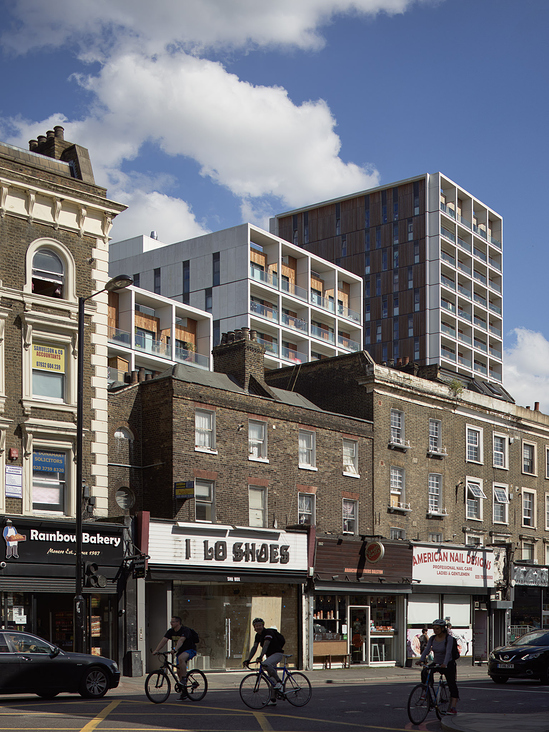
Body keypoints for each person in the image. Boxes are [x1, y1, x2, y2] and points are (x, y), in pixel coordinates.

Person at [415, 619, 459, 715]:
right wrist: (421, 659)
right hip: (437, 662)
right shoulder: (432, 638)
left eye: (437, 628)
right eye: (434, 628)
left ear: (443, 629)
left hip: (448, 663)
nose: (435, 630)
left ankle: (453, 707)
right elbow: (427, 650)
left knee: (452, 684)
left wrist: (445, 663)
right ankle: (426, 689)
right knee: (425, 671)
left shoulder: (449, 639)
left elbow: (448, 652)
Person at [152, 616, 198, 700]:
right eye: (171, 622)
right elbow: (164, 640)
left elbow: (181, 641)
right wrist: (156, 650)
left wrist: (175, 649)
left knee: (181, 658)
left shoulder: (185, 630)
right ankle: (184, 691)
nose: (171, 623)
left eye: (173, 622)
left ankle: (184, 679)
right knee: (179, 671)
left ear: (178, 623)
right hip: (180, 652)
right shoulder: (171, 631)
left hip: (190, 649)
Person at [243, 618, 285, 706]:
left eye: (260, 625)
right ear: (254, 628)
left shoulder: (268, 633)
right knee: (271, 677)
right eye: (256, 626)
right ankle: (273, 699)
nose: (258, 627)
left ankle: (279, 682)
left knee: (266, 664)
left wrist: (260, 657)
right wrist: (248, 659)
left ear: (263, 625)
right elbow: (254, 648)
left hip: (277, 654)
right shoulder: (257, 636)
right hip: (270, 656)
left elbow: (266, 645)